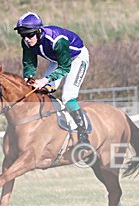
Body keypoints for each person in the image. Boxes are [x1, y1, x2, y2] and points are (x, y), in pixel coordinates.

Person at [13, 12, 91, 146]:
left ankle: (84, 136)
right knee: (42, 90)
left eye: (30, 34)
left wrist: (44, 80)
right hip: (57, 59)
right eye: (23, 35)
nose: (26, 38)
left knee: (68, 97)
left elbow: (65, 67)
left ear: (38, 32)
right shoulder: (26, 42)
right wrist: (28, 79)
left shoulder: (56, 40)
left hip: (77, 58)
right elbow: (29, 63)